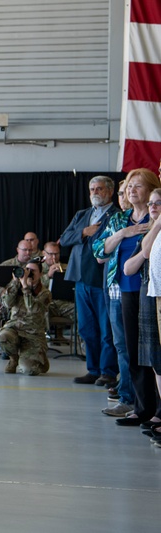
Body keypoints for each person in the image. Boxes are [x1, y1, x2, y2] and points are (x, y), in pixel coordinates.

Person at [94, 169, 160, 421]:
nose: (131, 190)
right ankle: (142, 408)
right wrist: (122, 234)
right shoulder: (120, 219)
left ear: (152, 189)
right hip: (123, 291)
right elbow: (99, 252)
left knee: (152, 352)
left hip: (152, 291)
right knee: (132, 351)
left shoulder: (156, 217)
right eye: (129, 186)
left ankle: (156, 410)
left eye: (138, 186)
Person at [60, 175, 119, 385]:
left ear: (110, 192)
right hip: (81, 279)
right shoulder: (82, 215)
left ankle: (108, 372)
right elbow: (64, 239)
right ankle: (93, 370)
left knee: (106, 330)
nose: (95, 192)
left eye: (100, 189)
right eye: (92, 189)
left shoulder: (117, 216)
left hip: (102, 280)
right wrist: (84, 232)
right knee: (86, 328)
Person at [122, 186, 161, 437]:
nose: (153, 208)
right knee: (154, 360)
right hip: (150, 294)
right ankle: (155, 409)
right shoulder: (152, 230)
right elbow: (130, 265)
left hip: (155, 295)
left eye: (158, 203)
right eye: (151, 204)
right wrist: (156, 224)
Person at [0, 259, 51, 375]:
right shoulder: (17, 287)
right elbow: (7, 304)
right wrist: (15, 282)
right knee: (2, 337)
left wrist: (26, 287)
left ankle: (40, 360)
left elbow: (33, 309)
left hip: (33, 334)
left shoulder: (45, 293)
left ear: (41, 274)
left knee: (29, 371)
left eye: (33, 271)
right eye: (27, 270)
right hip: (15, 328)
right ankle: (14, 359)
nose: (29, 273)